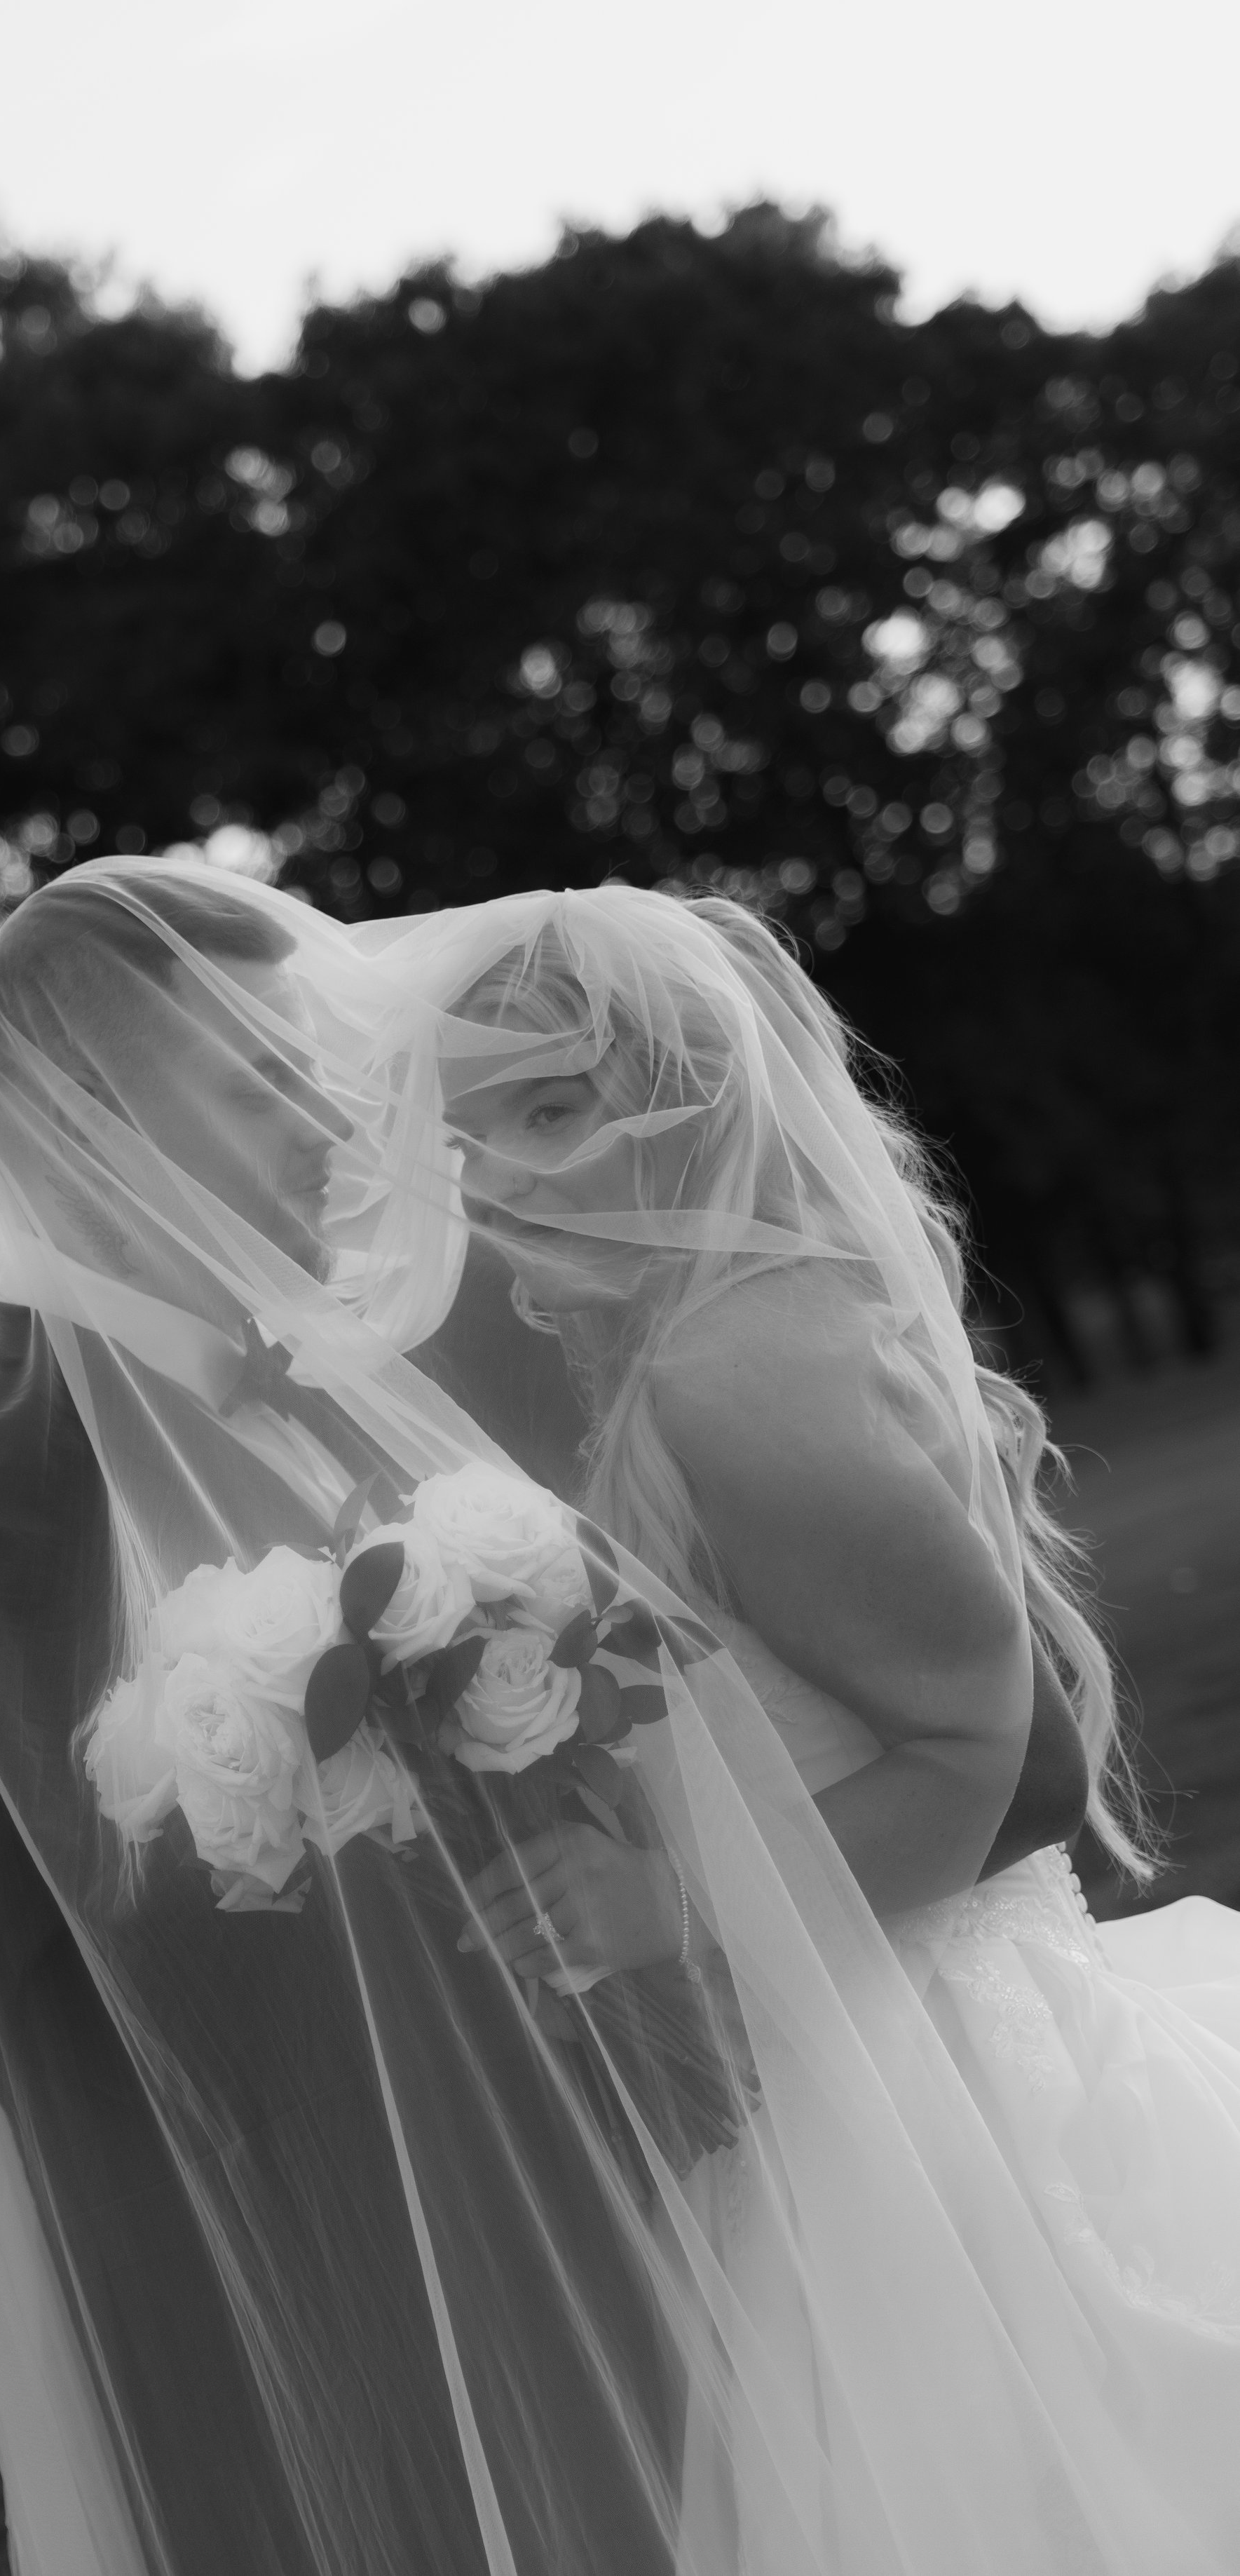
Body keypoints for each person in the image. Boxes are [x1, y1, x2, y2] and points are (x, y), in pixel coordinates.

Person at [0, 859, 1165, 2576]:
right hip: (382, 2235)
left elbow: (951, 1732)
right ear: (96, 1118)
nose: (340, 1120)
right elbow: (72, 2032)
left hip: (724, 2131)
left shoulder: (337, 1356)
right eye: (259, 1079)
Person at [369, 882, 1240, 2570]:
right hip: (858, 2058)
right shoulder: (693, 1339)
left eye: (557, 1103)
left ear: (692, 1098)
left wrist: (672, 1915)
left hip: (942, 2081)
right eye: (470, 1127)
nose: (507, 1174)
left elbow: (1011, 1758)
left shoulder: (730, 1359)